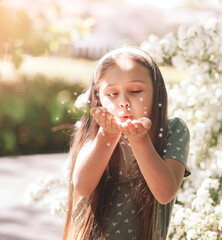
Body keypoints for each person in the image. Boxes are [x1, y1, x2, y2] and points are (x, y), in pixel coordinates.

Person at [63, 46, 190, 240]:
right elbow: (82, 185)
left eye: (136, 90)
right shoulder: (94, 130)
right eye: (112, 94)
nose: (123, 101)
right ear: (98, 99)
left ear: (157, 94)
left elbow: (164, 192)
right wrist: (107, 135)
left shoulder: (172, 130)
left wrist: (139, 139)